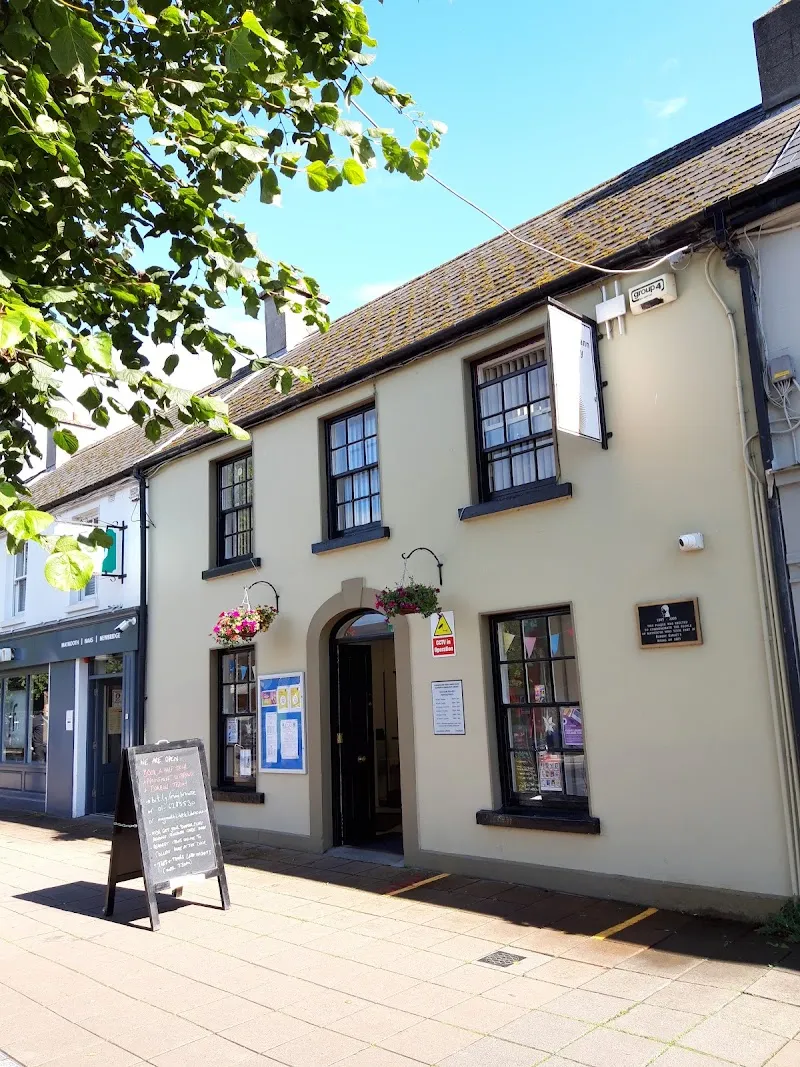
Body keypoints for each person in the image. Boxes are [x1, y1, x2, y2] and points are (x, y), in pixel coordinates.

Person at [31, 693, 48, 763]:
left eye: (49, 711)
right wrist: (32, 744)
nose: (47, 712)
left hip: (49, 746)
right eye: (46, 711)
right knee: (40, 763)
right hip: (39, 746)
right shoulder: (36, 720)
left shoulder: (53, 720)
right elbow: (30, 732)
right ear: (43, 710)